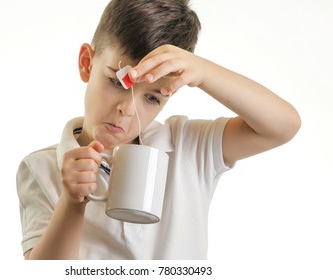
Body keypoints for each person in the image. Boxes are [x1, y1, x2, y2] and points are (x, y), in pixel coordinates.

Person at [16, 0, 301, 260]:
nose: (127, 110)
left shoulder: (187, 146)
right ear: (87, 63)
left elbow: (283, 126)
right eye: (118, 83)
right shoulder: (41, 168)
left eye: (151, 97)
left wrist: (204, 73)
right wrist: (71, 203)